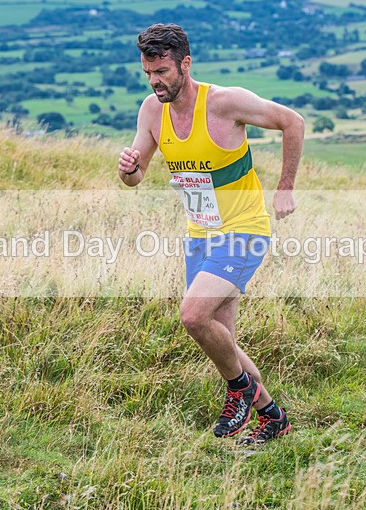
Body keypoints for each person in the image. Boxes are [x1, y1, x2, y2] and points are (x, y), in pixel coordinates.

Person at [117, 23, 304, 445]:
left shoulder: (223, 103)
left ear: (185, 63)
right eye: (148, 72)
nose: (155, 81)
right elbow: (137, 175)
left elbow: (293, 122)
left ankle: (238, 391)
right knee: (224, 344)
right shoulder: (152, 110)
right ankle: (272, 419)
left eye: (162, 71)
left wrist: (286, 187)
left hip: (243, 230)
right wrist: (128, 170)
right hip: (199, 237)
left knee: (192, 315)